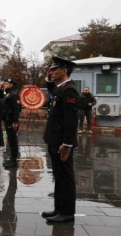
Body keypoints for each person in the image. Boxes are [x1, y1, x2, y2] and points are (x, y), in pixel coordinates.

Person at [42, 56, 79, 223]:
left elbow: (71, 120)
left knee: (65, 177)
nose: (51, 72)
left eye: (54, 69)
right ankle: (59, 209)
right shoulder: (60, 88)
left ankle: (67, 212)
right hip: (54, 140)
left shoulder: (69, 90)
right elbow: (53, 92)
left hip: (61, 143)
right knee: (59, 176)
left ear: (64, 70)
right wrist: (48, 79)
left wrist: (67, 144)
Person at [0, 78, 20, 168]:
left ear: (11, 84)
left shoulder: (13, 94)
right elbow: (0, 99)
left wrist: (15, 121)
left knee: (13, 141)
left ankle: (14, 161)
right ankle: (12, 159)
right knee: (10, 141)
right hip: (7, 120)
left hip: (12, 121)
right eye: (4, 83)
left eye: (6, 83)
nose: (4, 84)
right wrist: (1, 90)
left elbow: (16, 109)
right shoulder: (7, 94)